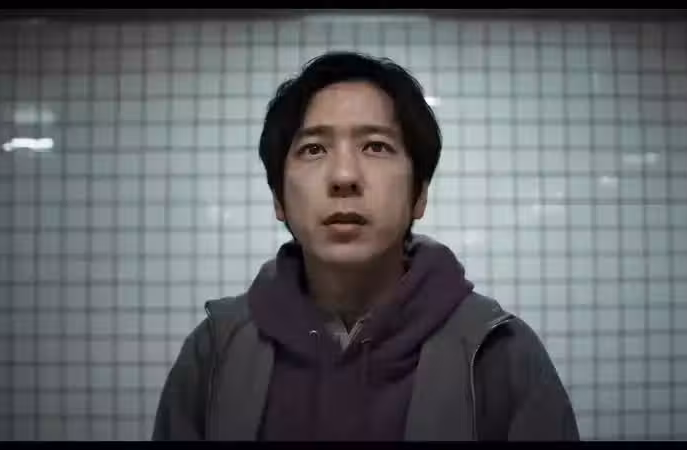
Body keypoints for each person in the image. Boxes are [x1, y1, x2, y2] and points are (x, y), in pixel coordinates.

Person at [152, 51, 579, 441]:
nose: (344, 176)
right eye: (313, 148)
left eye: (376, 146)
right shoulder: (216, 351)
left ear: (420, 194)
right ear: (279, 198)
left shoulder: (498, 352)